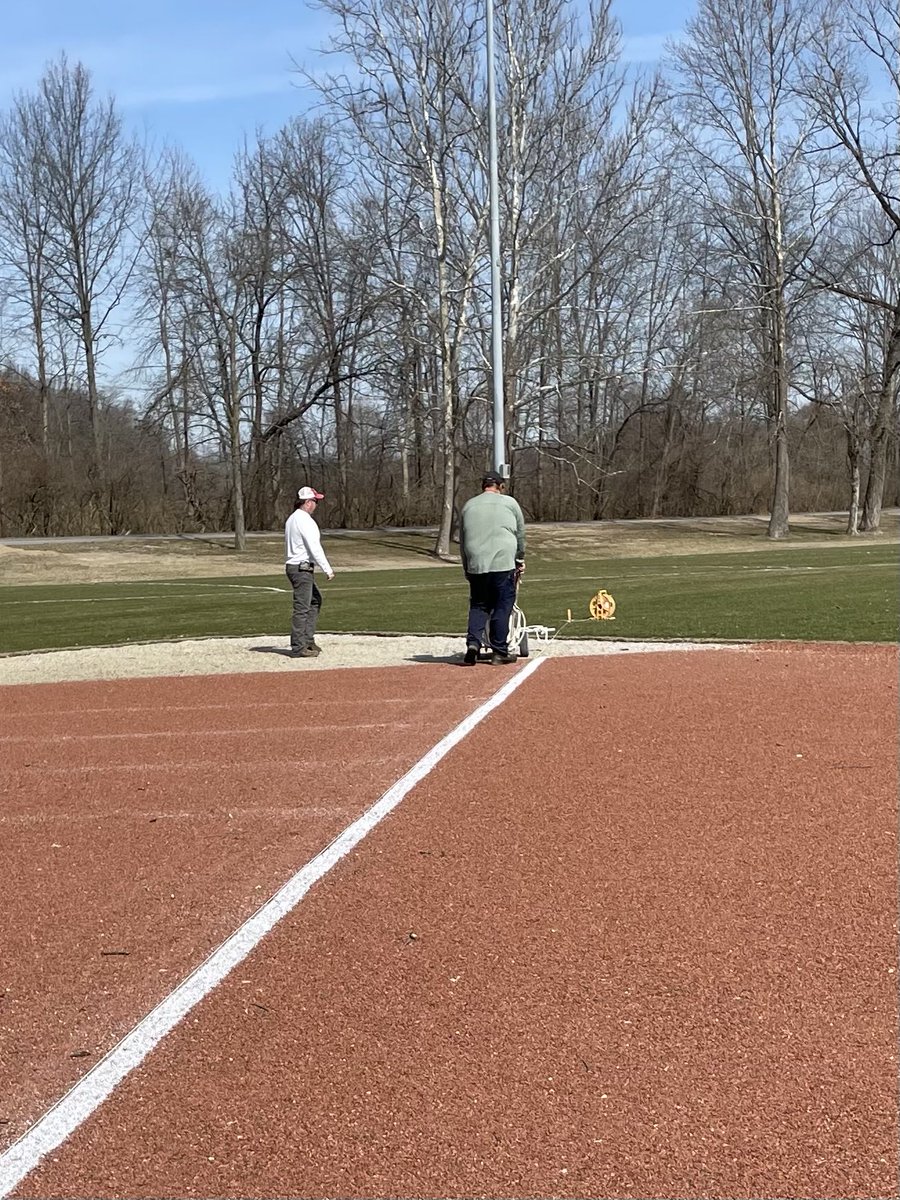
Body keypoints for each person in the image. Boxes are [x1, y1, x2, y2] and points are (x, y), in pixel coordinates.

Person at [459, 471, 526, 665]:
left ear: (483, 486)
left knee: (479, 605)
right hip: (503, 561)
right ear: (500, 486)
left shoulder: (468, 506)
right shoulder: (510, 503)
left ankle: (473, 643)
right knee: (502, 604)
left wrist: (467, 567)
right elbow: (520, 535)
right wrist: (520, 559)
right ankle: (499, 650)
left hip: (476, 562)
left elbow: (462, 542)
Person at [284, 486, 335, 659]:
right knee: (303, 607)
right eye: (314, 501)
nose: (316, 505)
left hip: (295, 566)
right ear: (307, 502)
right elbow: (314, 547)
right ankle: (299, 646)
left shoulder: (292, 519)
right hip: (301, 568)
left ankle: (307, 639)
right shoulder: (304, 520)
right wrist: (327, 568)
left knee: (314, 601)